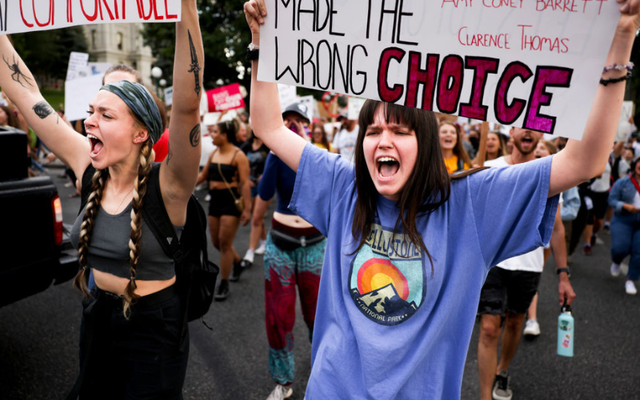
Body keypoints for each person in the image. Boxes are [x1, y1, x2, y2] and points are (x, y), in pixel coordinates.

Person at [244, 0, 638, 398]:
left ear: (427, 142)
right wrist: (261, 40)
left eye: (400, 131)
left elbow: (583, 162)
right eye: (373, 130)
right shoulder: (344, 187)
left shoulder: (470, 205)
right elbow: (268, 127)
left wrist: (619, 42)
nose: (383, 140)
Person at [1, 0, 202, 397]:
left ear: (141, 133)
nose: (89, 121)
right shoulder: (87, 165)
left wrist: (187, 9)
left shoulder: (171, 185)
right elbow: (27, 92)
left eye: (106, 116)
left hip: (154, 333)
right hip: (96, 317)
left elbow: (187, 104)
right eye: (91, 111)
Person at [479, 133, 575, 400]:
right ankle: (485, 396)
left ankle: (503, 370)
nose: (528, 133)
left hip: (529, 265)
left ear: (542, 134)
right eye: (523, 126)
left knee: (514, 321)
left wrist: (563, 276)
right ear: (511, 132)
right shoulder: (491, 168)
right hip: (493, 262)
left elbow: (556, 230)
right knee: (488, 329)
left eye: (535, 128)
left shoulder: (550, 173)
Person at [255, 103, 327, 400]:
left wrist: (305, 148)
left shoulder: (320, 154)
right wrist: (275, 150)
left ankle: (325, 372)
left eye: (299, 121)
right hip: (281, 245)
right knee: (278, 316)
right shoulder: (274, 155)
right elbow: (265, 192)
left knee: (319, 316)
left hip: (314, 247)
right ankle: (283, 380)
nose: (293, 125)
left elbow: (322, 191)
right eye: (287, 120)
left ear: (308, 127)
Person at [196, 119, 251, 298]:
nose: (212, 135)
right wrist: (181, 187)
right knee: (216, 243)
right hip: (215, 202)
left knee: (225, 244)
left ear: (224, 135)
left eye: (215, 132)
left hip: (230, 202)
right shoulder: (213, 154)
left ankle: (224, 283)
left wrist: (247, 209)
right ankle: (237, 262)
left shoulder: (239, 156)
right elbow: (203, 175)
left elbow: (245, 184)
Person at [102, 64, 171, 162]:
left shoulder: (162, 139)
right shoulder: (95, 132)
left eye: (127, 89)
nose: (116, 95)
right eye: (109, 88)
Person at [608, 155, 640, 295]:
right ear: (635, 164)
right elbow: (612, 200)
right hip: (623, 219)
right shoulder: (623, 182)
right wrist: (625, 206)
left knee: (638, 252)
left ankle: (630, 280)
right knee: (620, 248)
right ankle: (617, 261)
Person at [241, 124, 270, 267]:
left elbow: (272, 164)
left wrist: (265, 176)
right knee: (255, 214)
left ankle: (250, 251)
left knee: (257, 216)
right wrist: (245, 179)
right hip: (249, 185)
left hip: (263, 186)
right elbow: (239, 162)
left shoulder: (267, 147)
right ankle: (265, 242)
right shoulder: (246, 146)